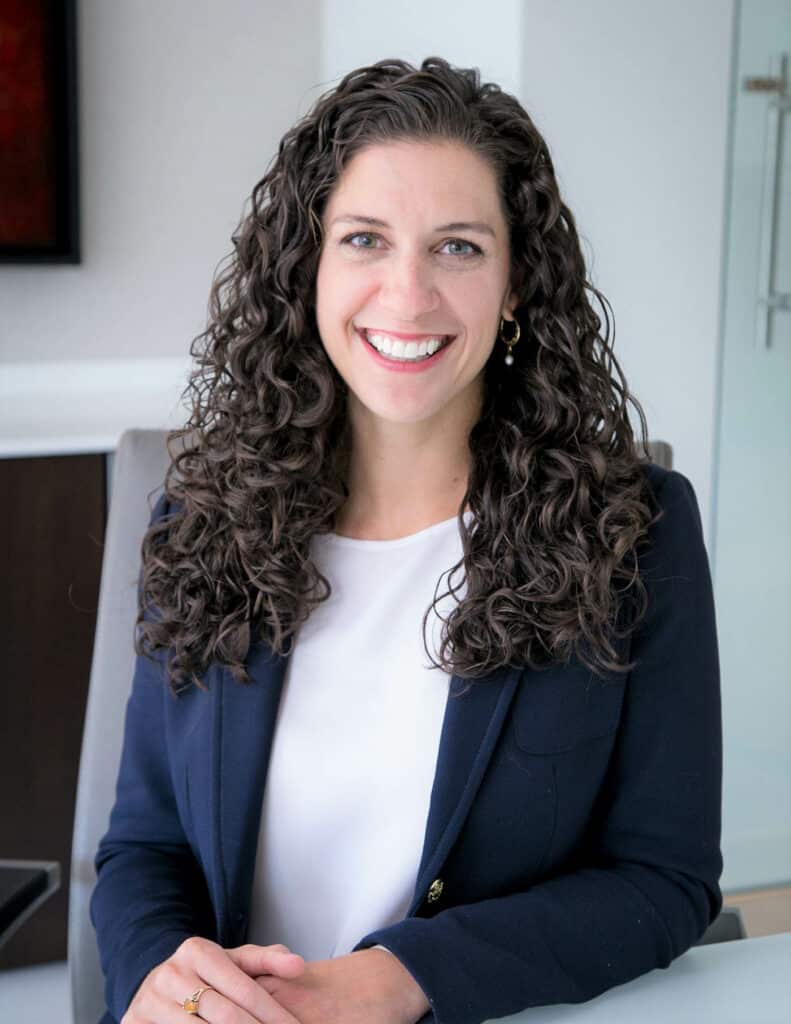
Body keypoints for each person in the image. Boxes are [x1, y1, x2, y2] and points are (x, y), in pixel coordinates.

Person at [91, 56, 723, 1024]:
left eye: (458, 247)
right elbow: (146, 843)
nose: (407, 292)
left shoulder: (633, 530)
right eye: (363, 239)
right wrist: (156, 977)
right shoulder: (201, 517)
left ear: (517, 284)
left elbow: (661, 878)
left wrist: (393, 980)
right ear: (307, 267)